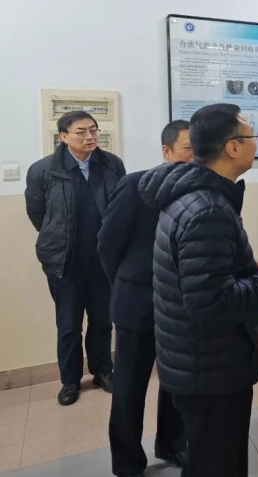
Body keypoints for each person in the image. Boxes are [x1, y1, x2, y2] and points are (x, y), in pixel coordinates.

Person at [138, 104, 258, 477]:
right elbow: (213, 304)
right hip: (210, 367)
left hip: (197, 359)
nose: (256, 144)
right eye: (251, 136)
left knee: (207, 457)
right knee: (218, 462)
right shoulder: (208, 209)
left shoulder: (195, 195)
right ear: (233, 147)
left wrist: (243, 271)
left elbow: (199, 279)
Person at [98, 120, 191, 477]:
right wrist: (127, 283)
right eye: (188, 150)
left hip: (181, 305)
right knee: (129, 386)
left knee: (175, 381)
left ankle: (171, 443)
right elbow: (108, 245)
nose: (195, 158)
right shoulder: (136, 185)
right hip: (138, 304)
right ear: (166, 151)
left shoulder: (200, 188)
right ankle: (127, 463)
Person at [25, 111, 125, 406]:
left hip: (103, 259)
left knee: (103, 319)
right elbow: (38, 214)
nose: (89, 136)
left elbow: (121, 206)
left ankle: (102, 370)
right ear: (63, 136)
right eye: (81, 132)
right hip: (64, 261)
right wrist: (57, 238)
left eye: (93, 130)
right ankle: (70, 380)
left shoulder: (112, 164)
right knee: (68, 325)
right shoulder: (43, 170)